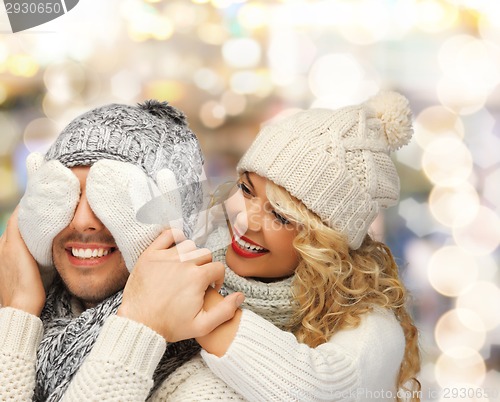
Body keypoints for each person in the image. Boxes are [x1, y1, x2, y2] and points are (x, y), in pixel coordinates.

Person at [145, 91, 422, 401]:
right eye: (247, 190)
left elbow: (319, 389)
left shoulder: (372, 327)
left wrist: (196, 298)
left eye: (280, 214)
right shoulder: (200, 246)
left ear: (326, 241)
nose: (245, 221)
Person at [0, 100, 241, 401]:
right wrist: (19, 309)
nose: (82, 221)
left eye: (114, 199)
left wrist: (139, 325)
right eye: (63, 195)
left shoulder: (205, 383)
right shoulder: (18, 313)